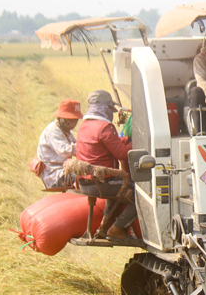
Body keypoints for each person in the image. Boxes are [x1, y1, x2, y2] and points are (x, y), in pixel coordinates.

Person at [75, 90, 136, 242]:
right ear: (105, 108)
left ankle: (104, 227)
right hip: (100, 183)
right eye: (110, 109)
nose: (112, 113)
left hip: (85, 181)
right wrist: (138, 144)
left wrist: (124, 140)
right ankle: (117, 228)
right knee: (141, 193)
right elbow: (121, 154)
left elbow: (104, 145)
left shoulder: (85, 125)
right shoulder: (104, 127)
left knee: (116, 186)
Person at [36, 99, 83, 188]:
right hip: (54, 174)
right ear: (66, 119)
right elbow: (65, 151)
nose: (76, 122)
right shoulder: (53, 131)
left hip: (63, 170)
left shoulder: (66, 131)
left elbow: (76, 143)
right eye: (75, 119)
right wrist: (84, 147)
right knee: (84, 178)